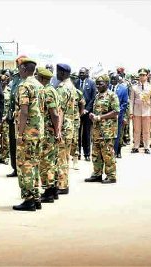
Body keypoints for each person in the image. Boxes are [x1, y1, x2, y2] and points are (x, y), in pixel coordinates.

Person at [12, 58, 43, 211]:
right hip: (38, 132)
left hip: (28, 133)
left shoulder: (24, 86)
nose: (18, 70)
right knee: (35, 164)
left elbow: (24, 111)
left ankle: (29, 199)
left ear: (24, 69)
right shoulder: (39, 85)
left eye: (19, 68)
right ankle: (36, 197)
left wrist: (19, 133)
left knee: (25, 166)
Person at [85, 74, 120, 184]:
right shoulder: (97, 96)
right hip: (96, 130)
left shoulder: (112, 96)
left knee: (107, 153)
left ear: (107, 84)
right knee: (96, 153)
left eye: (101, 84)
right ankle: (97, 174)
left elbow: (116, 112)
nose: (98, 86)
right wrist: (92, 115)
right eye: (97, 84)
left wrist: (100, 117)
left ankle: (111, 175)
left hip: (107, 131)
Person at [35, 67, 61, 203]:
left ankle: (49, 191)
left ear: (42, 78)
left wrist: (57, 132)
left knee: (47, 162)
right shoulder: (52, 90)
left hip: (48, 132)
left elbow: (55, 114)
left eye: (37, 77)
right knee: (52, 161)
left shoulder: (47, 91)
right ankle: (54, 190)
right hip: (51, 131)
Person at [55, 63, 75, 195]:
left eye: (58, 72)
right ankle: (64, 183)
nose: (56, 75)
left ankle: (62, 185)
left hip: (63, 127)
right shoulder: (71, 86)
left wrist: (57, 130)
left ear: (62, 73)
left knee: (61, 157)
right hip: (70, 125)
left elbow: (60, 111)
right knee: (65, 157)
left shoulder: (62, 88)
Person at [6, 55, 27, 177]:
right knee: (13, 144)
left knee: (23, 144)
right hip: (12, 118)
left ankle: (23, 168)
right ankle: (15, 167)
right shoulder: (15, 79)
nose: (18, 68)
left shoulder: (28, 80)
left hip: (23, 119)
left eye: (19, 66)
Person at [130, 68, 151, 154]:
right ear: (138, 76)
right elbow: (131, 101)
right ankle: (136, 146)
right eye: (140, 75)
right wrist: (131, 112)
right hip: (137, 112)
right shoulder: (134, 88)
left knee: (146, 130)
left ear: (147, 76)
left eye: (144, 75)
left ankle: (146, 147)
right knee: (136, 130)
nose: (142, 77)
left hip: (147, 112)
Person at [74, 67, 97, 161]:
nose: (81, 74)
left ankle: (87, 154)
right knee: (77, 133)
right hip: (77, 112)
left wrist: (86, 109)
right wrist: (79, 110)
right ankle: (77, 153)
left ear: (87, 74)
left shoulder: (91, 83)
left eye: (83, 73)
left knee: (86, 133)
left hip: (87, 113)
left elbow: (93, 97)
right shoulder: (75, 82)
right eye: (80, 73)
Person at [109, 74, 129, 158]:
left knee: (117, 135)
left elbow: (124, 103)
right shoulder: (107, 87)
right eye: (112, 79)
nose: (113, 80)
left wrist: (117, 112)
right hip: (107, 115)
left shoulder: (123, 89)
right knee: (109, 134)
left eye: (114, 79)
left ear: (118, 80)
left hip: (118, 116)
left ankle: (116, 152)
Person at [0, 74, 11, 164]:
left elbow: (11, 106)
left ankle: (5, 156)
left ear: (7, 81)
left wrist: (6, 116)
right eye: (1, 81)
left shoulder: (9, 91)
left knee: (6, 138)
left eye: (4, 81)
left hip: (6, 119)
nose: (2, 82)